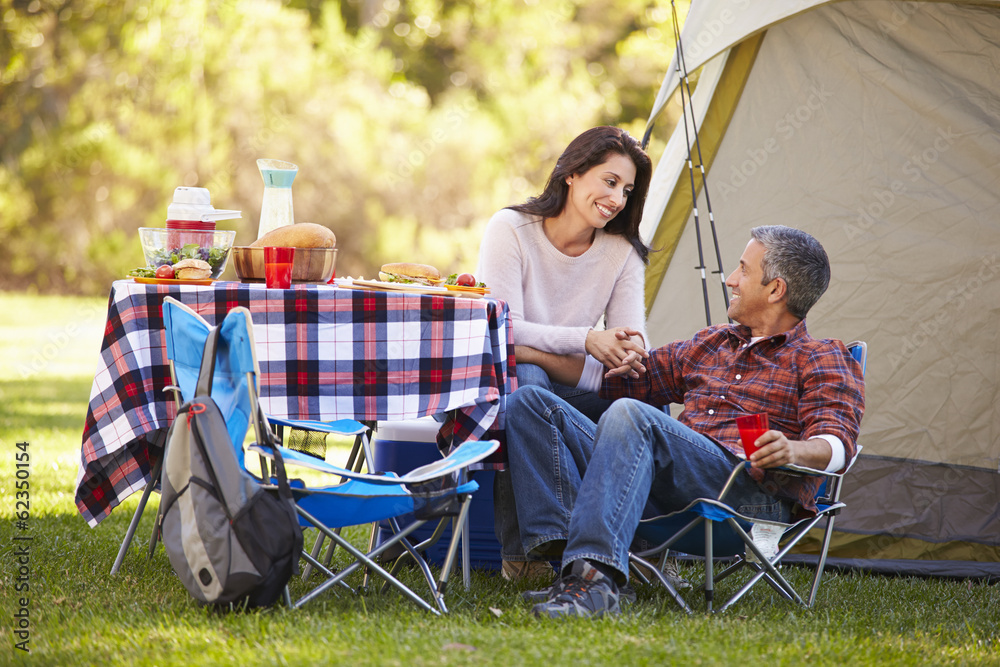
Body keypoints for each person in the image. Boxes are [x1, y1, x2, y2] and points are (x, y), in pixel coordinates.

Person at [505, 225, 865, 617]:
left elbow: (837, 443)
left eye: (743, 270)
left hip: (746, 501)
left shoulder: (821, 357)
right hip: (669, 488)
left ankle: (594, 580)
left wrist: (793, 449)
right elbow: (614, 380)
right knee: (531, 403)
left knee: (633, 415)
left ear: (775, 290)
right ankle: (573, 568)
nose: (730, 279)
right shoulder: (711, 344)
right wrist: (533, 354)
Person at [477, 126, 653, 580]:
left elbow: (631, 351)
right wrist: (586, 341)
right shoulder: (511, 229)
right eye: (609, 181)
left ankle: (646, 545)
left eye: (627, 190)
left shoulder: (623, 254)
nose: (617, 198)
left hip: (575, 390)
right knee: (526, 385)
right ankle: (543, 552)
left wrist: (544, 352)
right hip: (504, 389)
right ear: (573, 173)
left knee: (642, 402)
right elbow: (500, 330)